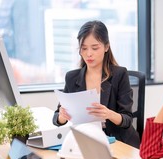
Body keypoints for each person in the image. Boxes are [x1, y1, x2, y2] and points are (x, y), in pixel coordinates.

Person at [52, 20, 140, 148]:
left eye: (95, 48)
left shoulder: (119, 74)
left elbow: (127, 119)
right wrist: (62, 117)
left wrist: (109, 114)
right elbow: (56, 118)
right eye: (84, 48)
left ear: (106, 47)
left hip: (118, 142)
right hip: (87, 140)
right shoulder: (72, 77)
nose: (88, 54)